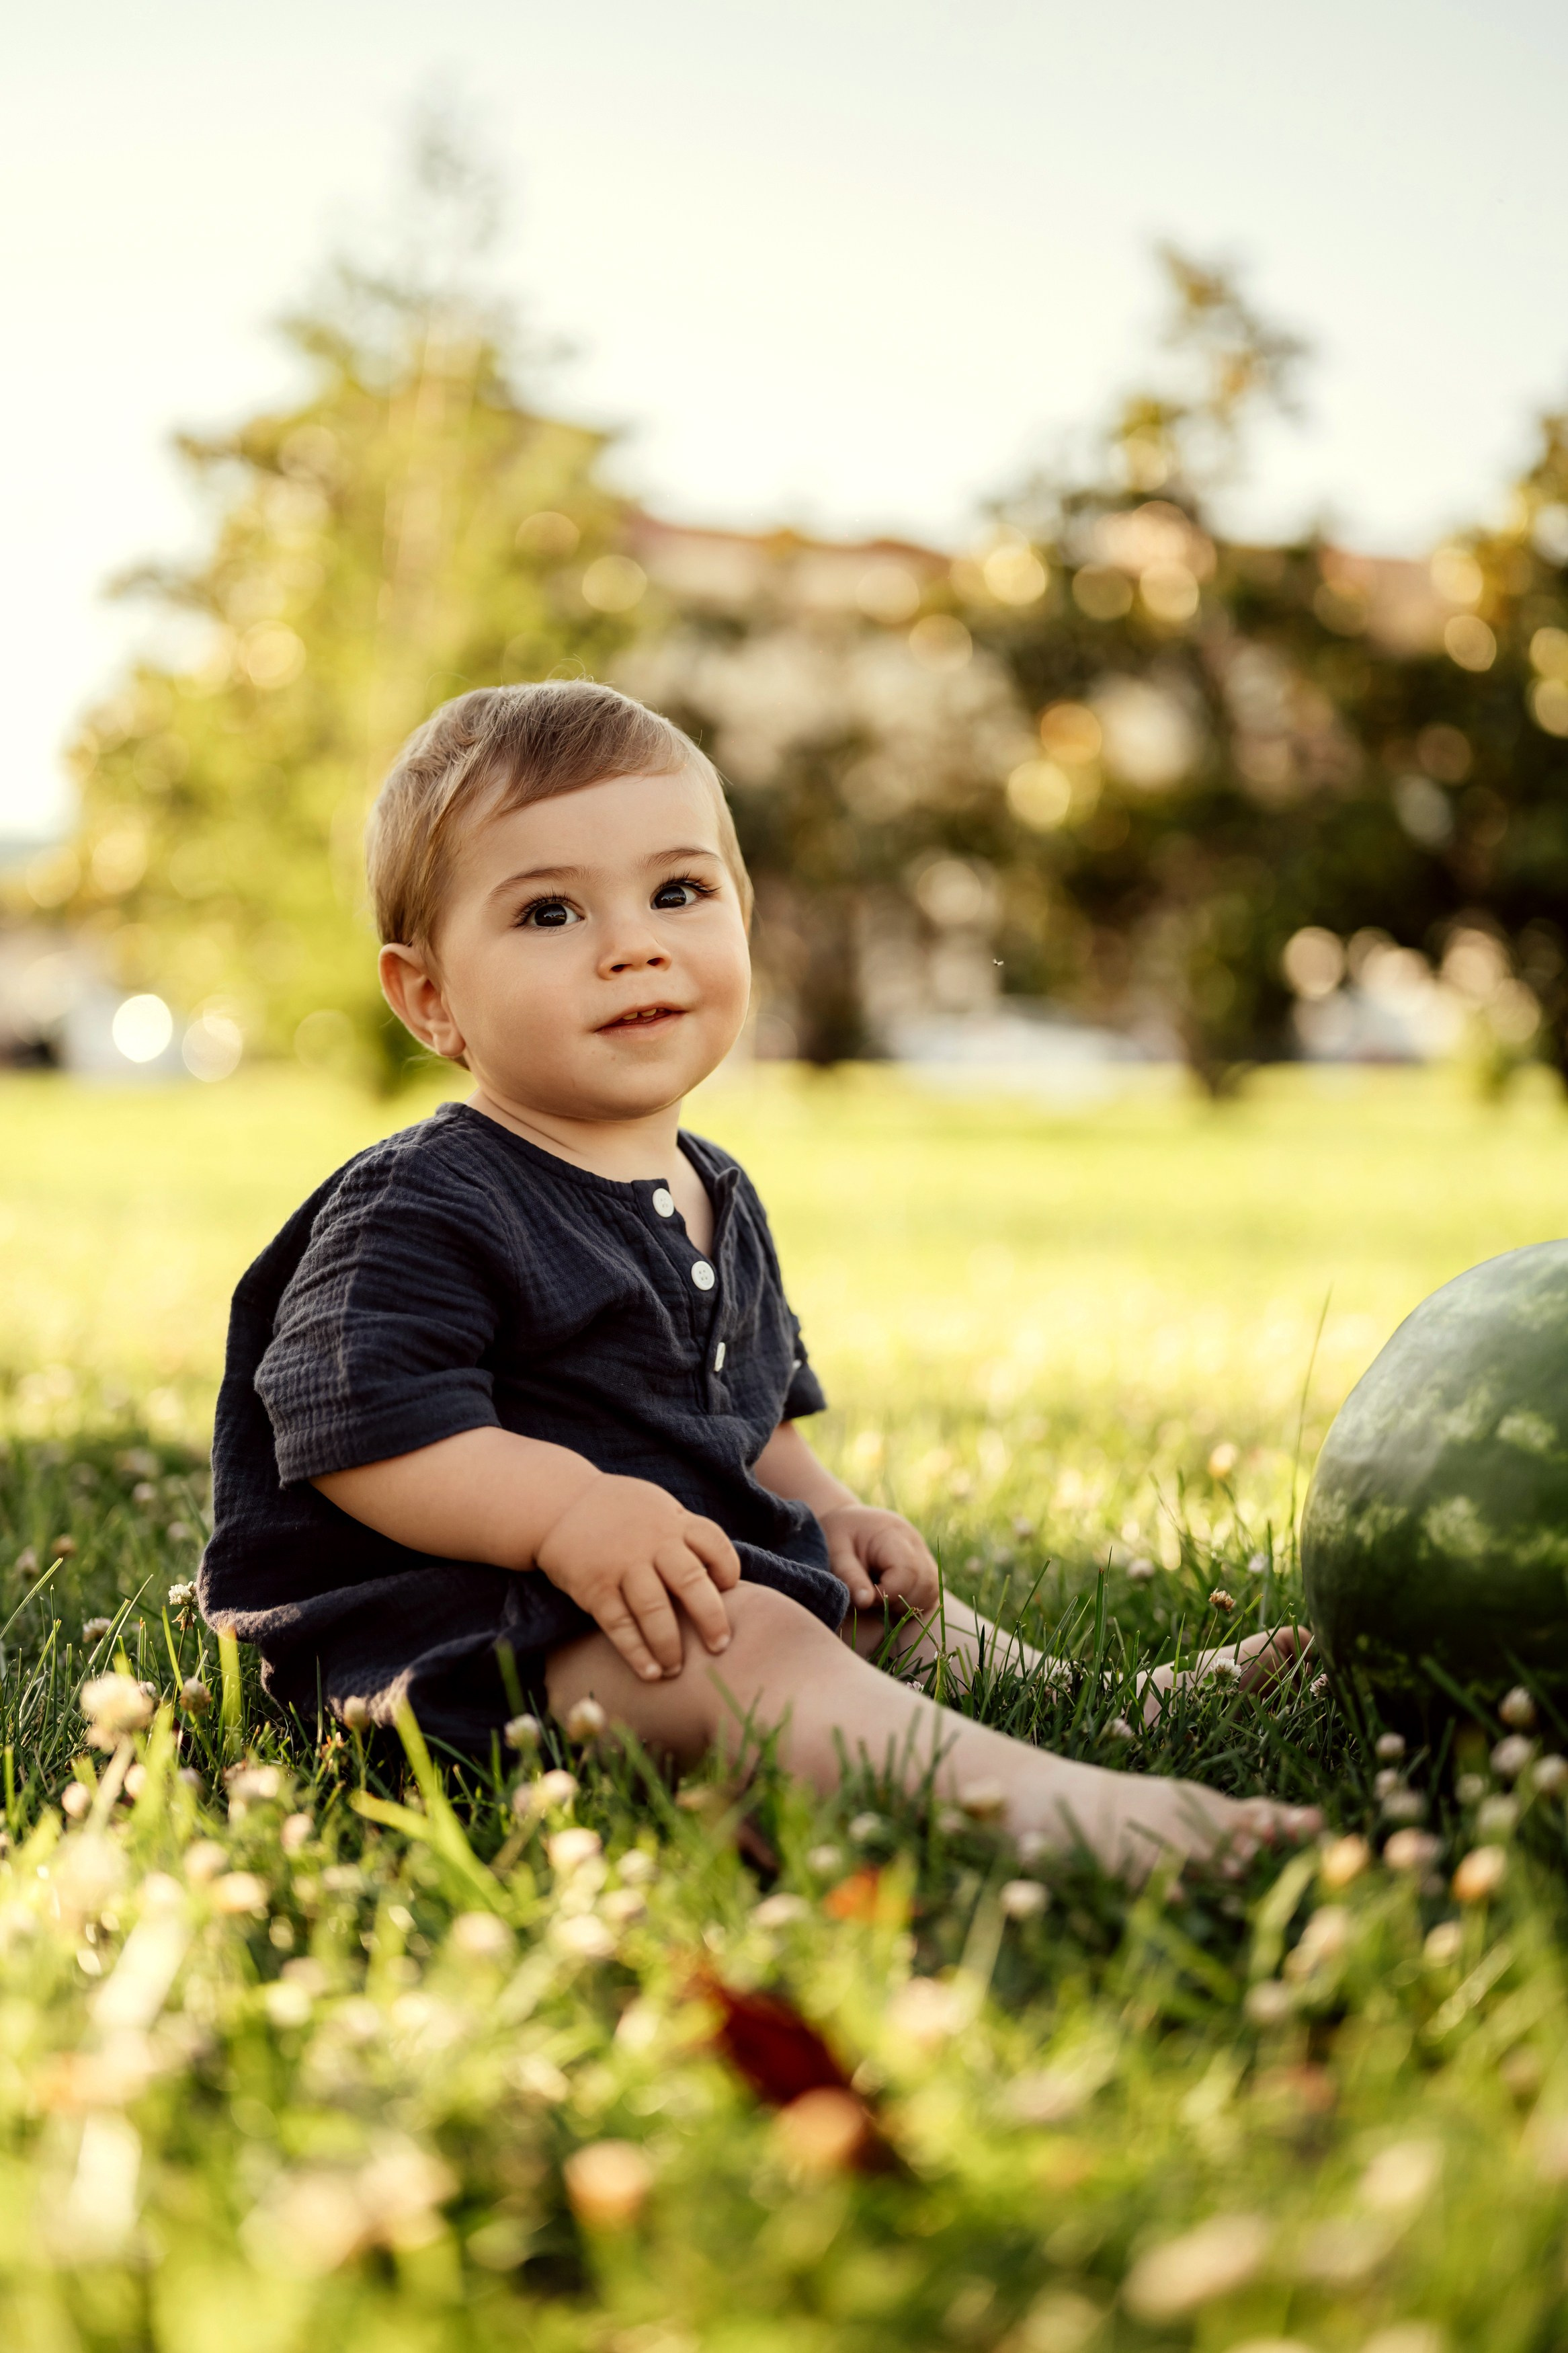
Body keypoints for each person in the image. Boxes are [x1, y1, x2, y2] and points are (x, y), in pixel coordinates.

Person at [200, 680, 1315, 1882]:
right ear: (430, 998)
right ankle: (1066, 1812)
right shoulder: (424, 1199)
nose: (632, 945)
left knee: (862, 1596)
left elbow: (756, 1419)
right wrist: (567, 1515)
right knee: (753, 1638)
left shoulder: (715, 1188)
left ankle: (1091, 1703)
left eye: (677, 892)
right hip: (461, 1639)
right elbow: (360, 1432)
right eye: (549, 913)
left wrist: (830, 1512)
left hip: (666, 1590)